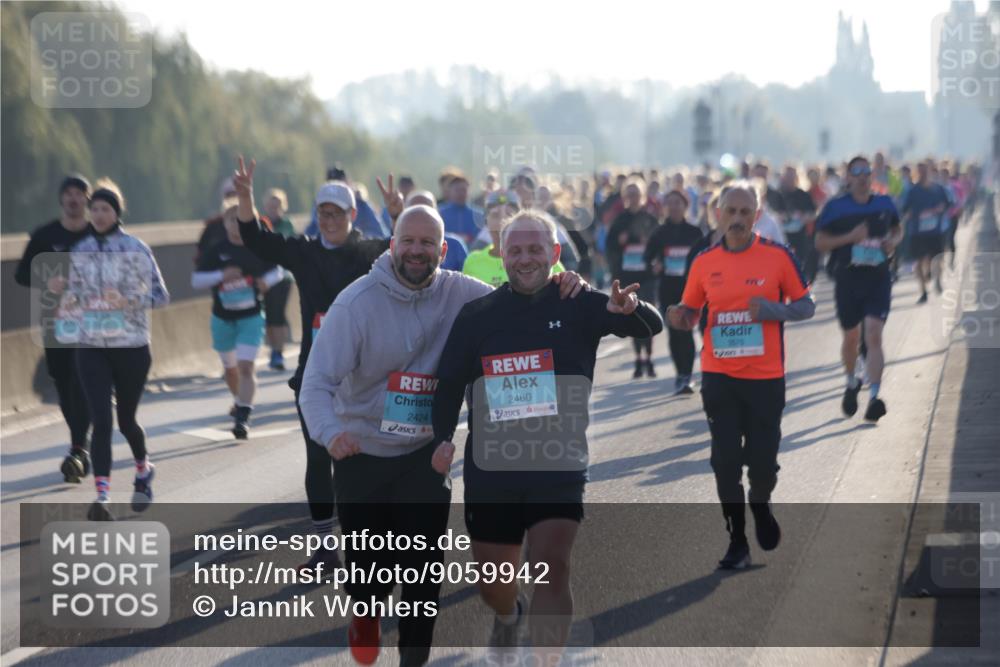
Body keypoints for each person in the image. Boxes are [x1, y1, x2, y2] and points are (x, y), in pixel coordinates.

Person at [299, 201, 585, 665]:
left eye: (427, 243)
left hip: (423, 454)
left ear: (443, 249)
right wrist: (331, 434)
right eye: (408, 242)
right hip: (361, 453)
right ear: (392, 246)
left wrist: (566, 281)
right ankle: (365, 611)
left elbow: (519, 289)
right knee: (370, 572)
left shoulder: (463, 293)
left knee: (421, 573)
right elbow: (315, 385)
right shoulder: (355, 304)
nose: (417, 251)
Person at [430, 209, 662, 660]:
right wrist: (442, 438)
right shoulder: (478, 315)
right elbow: (448, 386)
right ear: (502, 254)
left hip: (558, 462)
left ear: (554, 254)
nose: (525, 258)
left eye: (536, 249)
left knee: (551, 568)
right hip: (492, 471)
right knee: (495, 585)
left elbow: (648, 324)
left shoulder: (577, 301)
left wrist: (631, 309)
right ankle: (507, 615)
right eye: (515, 250)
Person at [234, 157, 387, 574]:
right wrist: (246, 198)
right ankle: (323, 548)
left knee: (359, 463)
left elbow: (413, 253)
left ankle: (365, 547)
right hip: (315, 375)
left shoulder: (370, 252)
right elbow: (256, 239)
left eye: (337, 213)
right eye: (323, 213)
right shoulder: (304, 253)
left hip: (364, 376)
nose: (330, 220)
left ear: (352, 215)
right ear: (317, 216)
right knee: (319, 459)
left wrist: (398, 211)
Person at [666, 181, 815, 570]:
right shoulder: (703, 262)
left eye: (745, 212)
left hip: (766, 378)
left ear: (757, 215)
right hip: (719, 376)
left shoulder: (777, 256)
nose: (736, 219)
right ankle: (737, 540)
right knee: (725, 461)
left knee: (763, 464)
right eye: (730, 211)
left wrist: (771, 310)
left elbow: (806, 306)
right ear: (717, 214)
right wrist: (680, 317)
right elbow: (691, 310)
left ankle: (761, 504)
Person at [59, 179, 169, 521]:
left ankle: (143, 467)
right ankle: (102, 498)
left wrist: (128, 300)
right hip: (91, 346)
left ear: (117, 212)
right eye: (95, 209)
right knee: (102, 422)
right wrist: (66, 300)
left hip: (131, 347)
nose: (99, 214)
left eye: (105, 209)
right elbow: (72, 298)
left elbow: (161, 296)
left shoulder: (137, 249)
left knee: (126, 421)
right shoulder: (80, 251)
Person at [15, 174, 94, 483]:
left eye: (80, 193)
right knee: (63, 383)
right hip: (55, 321)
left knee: (82, 379)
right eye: (69, 193)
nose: (74, 199)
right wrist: (46, 280)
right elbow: (21, 274)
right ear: (61, 199)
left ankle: (78, 448)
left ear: (87, 200)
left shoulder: (97, 232)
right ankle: (80, 444)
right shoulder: (45, 235)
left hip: (91, 322)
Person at [814, 155, 902, 423]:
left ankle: (874, 397)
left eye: (867, 171)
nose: (863, 176)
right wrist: (849, 238)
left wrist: (892, 242)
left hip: (877, 278)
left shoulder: (885, 203)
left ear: (871, 177)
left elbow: (898, 229)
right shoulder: (835, 208)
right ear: (848, 177)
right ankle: (852, 381)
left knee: (873, 336)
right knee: (851, 337)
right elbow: (820, 243)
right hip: (848, 280)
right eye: (857, 171)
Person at [192, 206, 284, 438]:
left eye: (240, 219)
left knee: (246, 367)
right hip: (223, 318)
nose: (235, 224)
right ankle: (239, 399)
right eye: (231, 220)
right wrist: (221, 276)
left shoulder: (257, 247)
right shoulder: (216, 251)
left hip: (251, 317)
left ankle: (243, 416)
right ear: (224, 223)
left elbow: (278, 270)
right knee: (230, 371)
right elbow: (196, 280)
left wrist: (266, 281)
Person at [644, 189, 704, 394]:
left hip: (691, 289)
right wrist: (655, 265)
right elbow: (647, 258)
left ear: (685, 205)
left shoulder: (695, 232)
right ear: (665, 207)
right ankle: (680, 374)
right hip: (668, 288)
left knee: (686, 330)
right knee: (674, 332)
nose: (674, 207)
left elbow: (705, 257)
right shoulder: (660, 233)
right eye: (669, 203)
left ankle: (687, 375)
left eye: (678, 203)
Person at [606, 176, 660, 378]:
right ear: (624, 197)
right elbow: (609, 248)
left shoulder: (650, 219)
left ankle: (650, 357)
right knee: (633, 316)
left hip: (646, 276)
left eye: (636, 194)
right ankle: (638, 358)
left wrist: (652, 249)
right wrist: (620, 243)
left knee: (648, 314)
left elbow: (660, 246)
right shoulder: (619, 221)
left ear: (643, 196)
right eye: (629, 195)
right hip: (627, 276)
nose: (633, 198)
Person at [463, 190, 566, 287]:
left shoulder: (546, 260)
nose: (502, 221)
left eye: (509, 215)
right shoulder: (473, 261)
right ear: (486, 222)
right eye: (495, 215)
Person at [901, 160, 951, 303]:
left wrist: (940, 209)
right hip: (917, 232)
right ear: (916, 173)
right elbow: (904, 209)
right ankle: (923, 291)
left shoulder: (938, 189)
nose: (922, 174)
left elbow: (948, 204)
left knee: (938, 259)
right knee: (918, 262)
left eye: (925, 171)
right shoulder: (912, 191)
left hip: (935, 231)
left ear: (930, 172)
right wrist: (911, 214)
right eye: (920, 171)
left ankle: (938, 281)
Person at [260, 188, 296, 370]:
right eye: (270, 206)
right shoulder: (260, 224)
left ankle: (278, 351)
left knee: (278, 314)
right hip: (265, 275)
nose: (274, 209)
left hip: (283, 276)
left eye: (277, 206)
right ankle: (273, 348)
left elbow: (288, 247)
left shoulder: (286, 224)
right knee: (268, 315)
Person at [404, 189, 468, 271]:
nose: (419, 216)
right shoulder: (399, 245)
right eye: (413, 211)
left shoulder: (455, 245)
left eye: (426, 210)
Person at [778, 166, 818, 283]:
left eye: (792, 176)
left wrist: (805, 217)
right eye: (787, 176)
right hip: (783, 238)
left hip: (801, 238)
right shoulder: (778, 195)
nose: (790, 179)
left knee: (801, 266)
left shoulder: (804, 195)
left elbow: (813, 213)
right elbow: (773, 213)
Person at [438, 173, 484, 247]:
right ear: (450, 191)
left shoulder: (479, 215)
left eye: (463, 190)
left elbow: (482, 238)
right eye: (457, 190)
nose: (461, 193)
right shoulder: (439, 213)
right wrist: (455, 237)